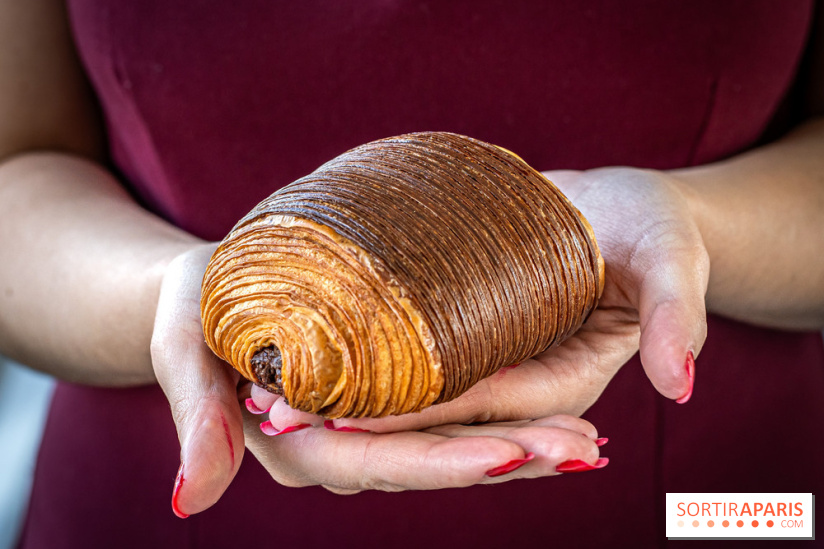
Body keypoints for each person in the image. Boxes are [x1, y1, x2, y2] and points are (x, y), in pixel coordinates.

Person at [2, 1, 822, 547]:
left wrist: (695, 224)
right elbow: (16, 169)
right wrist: (170, 291)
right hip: (164, 483)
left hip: (720, 504)